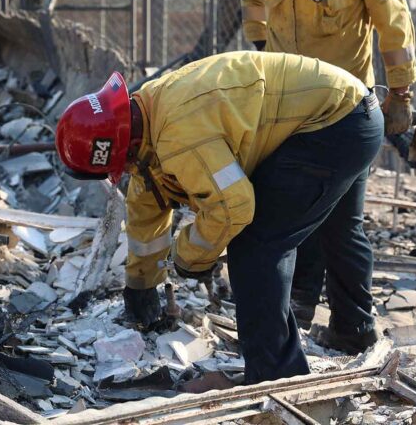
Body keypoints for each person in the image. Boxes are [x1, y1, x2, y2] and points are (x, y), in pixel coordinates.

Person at [55, 51, 383, 384]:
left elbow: (234, 206)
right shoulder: (147, 109)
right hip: (350, 107)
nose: (124, 172)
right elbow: (147, 198)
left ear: (124, 148)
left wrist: (190, 257)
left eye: (120, 166)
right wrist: (140, 285)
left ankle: (275, 381)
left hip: (333, 124)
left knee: (257, 244)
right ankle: (353, 331)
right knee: (340, 229)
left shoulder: (178, 135)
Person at [214, 0, 416, 340]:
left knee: (340, 222)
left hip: (347, 108)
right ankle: (301, 305)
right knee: (292, 208)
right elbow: (253, 8)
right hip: (287, 104)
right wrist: (262, 59)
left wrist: (402, 92)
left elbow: (392, 16)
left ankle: (354, 327)